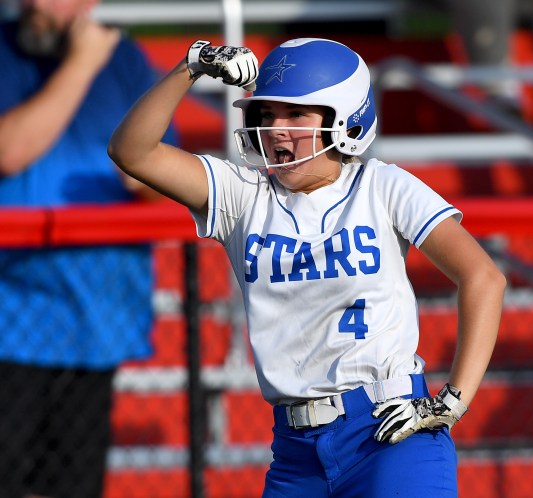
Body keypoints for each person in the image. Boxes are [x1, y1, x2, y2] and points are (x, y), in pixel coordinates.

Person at [108, 37, 506, 497]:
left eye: (296, 114)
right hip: (296, 451)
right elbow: (131, 151)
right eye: (267, 114)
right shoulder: (244, 195)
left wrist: (453, 402)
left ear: (347, 120)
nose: (276, 128)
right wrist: (191, 66)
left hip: (389, 432)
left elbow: (484, 277)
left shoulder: (381, 185)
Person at [0, 1, 176, 497]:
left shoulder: (125, 61)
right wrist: (81, 64)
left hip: (96, 321)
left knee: (74, 486)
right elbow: (9, 150)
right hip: (12, 316)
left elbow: (169, 182)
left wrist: (144, 178)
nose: (36, 4)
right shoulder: (11, 50)